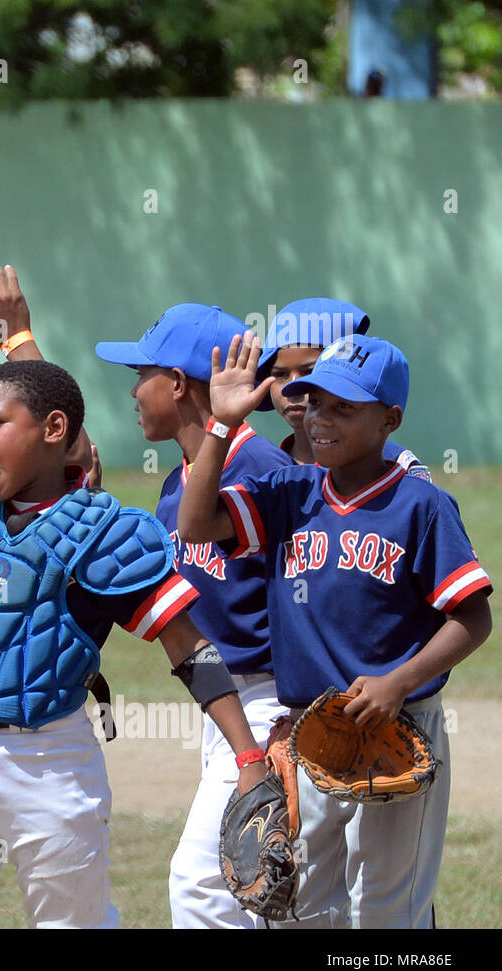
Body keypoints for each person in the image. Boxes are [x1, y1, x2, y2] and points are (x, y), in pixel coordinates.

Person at [0, 174, 269, 929]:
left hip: (49, 771)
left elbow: (190, 650)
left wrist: (249, 758)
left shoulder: (102, 531)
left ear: (54, 431)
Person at [178, 331, 492, 928]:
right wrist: (220, 428)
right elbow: (196, 527)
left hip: (400, 722)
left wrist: (401, 681)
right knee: (303, 901)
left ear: (389, 420)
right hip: (309, 726)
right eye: (314, 402)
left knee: (384, 903)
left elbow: (472, 616)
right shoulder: (287, 493)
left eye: (344, 407)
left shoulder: (420, 505)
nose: (320, 418)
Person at [95, 303, 292, 928]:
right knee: (267, 893)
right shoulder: (177, 483)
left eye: (142, 372)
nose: (133, 390)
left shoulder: (262, 469)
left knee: (203, 884)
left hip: (270, 706)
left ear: (178, 383)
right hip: (224, 707)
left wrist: (294, 720)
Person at [255, 298, 431, 479]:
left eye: (309, 371)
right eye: (280, 374)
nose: (292, 387)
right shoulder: (261, 466)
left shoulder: (395, 467)